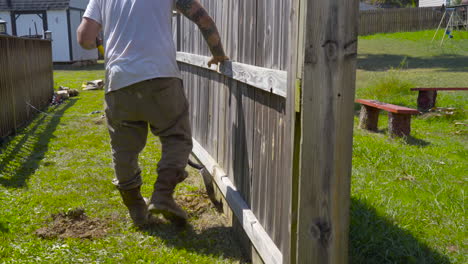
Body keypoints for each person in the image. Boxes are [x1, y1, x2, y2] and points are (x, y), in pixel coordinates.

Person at [77, 0, 228, 227]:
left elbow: (85, 40)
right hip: (161, 77)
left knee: (123, 149)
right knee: (176, 137)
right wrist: (218, 53)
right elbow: (203, 19)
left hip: (120, 82)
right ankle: (163, 195)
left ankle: (137, 209)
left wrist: (100, 41)